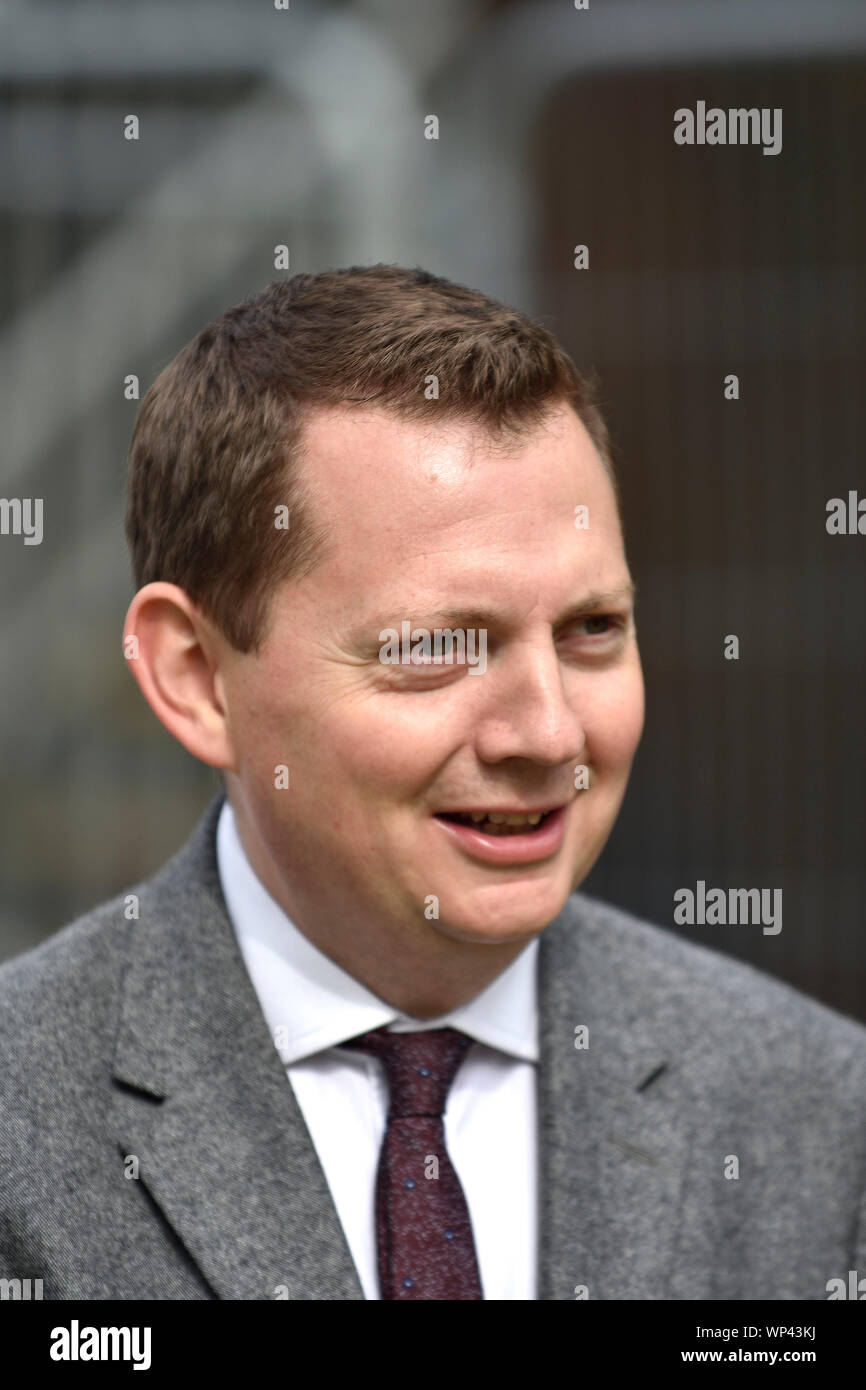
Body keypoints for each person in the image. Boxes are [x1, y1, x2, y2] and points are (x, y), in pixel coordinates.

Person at [1, 265, 864, 1302]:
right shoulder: (24, 1124)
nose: (547, 731)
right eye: (437, 647)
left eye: (591, 630)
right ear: (196, 678)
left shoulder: (815, 1112)